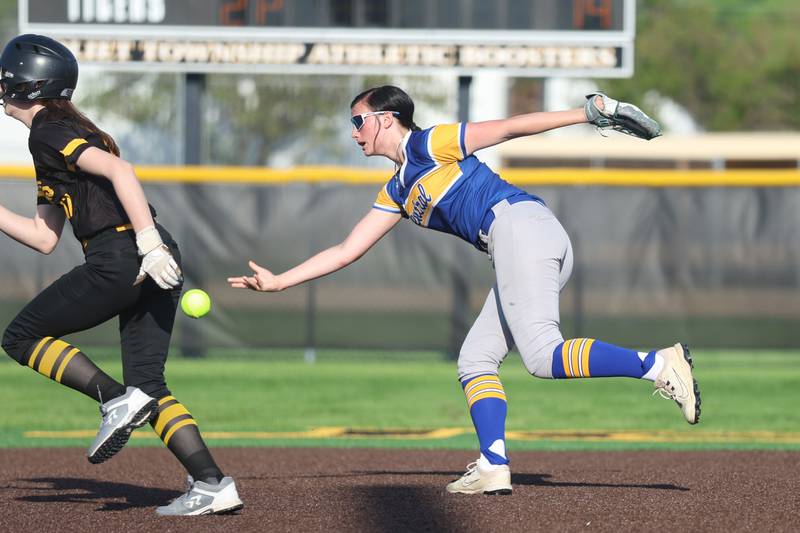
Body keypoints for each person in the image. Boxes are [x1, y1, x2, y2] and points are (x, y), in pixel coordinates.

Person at [228, 85, 700, 495]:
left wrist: (589, 112)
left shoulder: (430, 143)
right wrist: (279, 282)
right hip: (522, 241)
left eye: (358, 121)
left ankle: (658, 364)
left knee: (541, 357)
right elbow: (347, 250)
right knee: (475, 360)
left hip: (519, 227)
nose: (353, 132)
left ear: (385, 119)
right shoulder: (395, 188)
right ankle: (493, 466)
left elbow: (511, 127)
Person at [0, 34, 242, 515]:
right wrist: (152, 246)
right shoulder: (55, 133)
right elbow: (44, 238)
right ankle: (212, 483)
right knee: (150, 385)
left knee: (20, 337)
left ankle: (114, 399)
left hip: (125, 251)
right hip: (147, 251)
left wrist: (146, 244)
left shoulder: (46, 129)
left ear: (27, 84)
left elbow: (121, 171)